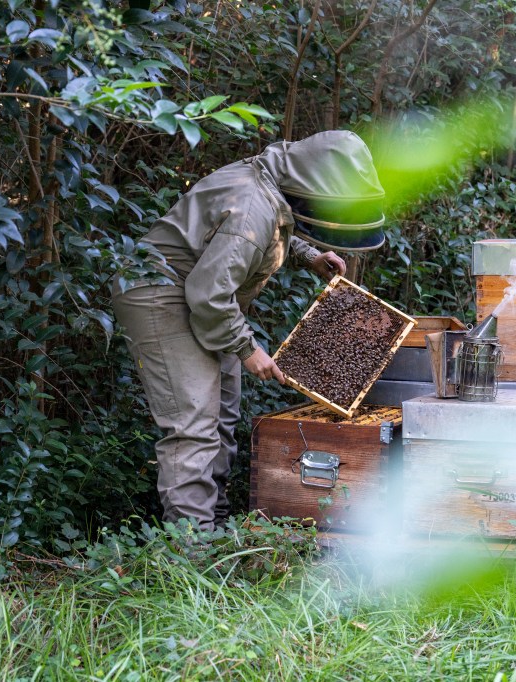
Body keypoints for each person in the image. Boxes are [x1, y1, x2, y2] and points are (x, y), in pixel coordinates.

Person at [112, 130, 386, 531]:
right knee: (194, 425)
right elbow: (210, 291)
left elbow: (270, 222)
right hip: (162, 294)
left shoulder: (272, 178)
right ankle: (191, 546)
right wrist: (246, 348)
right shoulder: (251, 207)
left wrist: (308, 253)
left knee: (223, 415)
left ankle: (216, 526)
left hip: (203, 296)